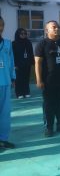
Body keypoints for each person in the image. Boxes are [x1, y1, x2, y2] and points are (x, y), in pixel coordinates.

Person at [35, 20, 60, 137]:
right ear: (47, 30)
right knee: (48, 104)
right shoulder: (42, 44)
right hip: (48, 80)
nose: (57, 29)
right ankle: (48, 127)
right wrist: (39, 80)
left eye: (57, 27)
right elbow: (38, 63)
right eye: (53, 27)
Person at [0, 16, 16, 150]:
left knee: (5, 113)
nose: (0, 28)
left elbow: (11, 62)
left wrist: (13, 77)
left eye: (1, 25)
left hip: (5, 82)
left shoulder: (7, 43)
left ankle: (3, 139)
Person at [12, 28, 34, 99]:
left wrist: (32, 62)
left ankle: (26, 92)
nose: (24, 35)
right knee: (18, 79)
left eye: (25, 33)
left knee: (26, 78)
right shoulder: (14, 43)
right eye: (22, 34)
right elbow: (13, 55)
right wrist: (14, 65)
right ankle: (19, 93)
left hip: (27, 64)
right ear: (18, 34)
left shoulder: (28, 42)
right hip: (18, 64)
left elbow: (31, 53)